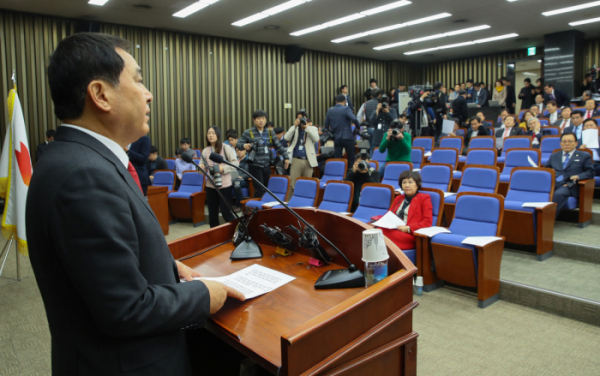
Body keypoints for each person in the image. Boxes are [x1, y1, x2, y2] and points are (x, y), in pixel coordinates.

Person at [27, 32, 244, 376]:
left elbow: (105, 261)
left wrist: (170, 268)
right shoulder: (84, 175)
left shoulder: (80, 160)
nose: (149, 94)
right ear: (100, 95)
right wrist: (203, 295)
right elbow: (124, 308)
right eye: (139, 80)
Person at [238, 110, 289, 198]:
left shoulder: (270, 132)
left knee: (268, 189)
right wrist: (244, 145)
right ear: (254, 120)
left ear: (265, 120)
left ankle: (264, 208)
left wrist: (286, 157)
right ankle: (255, 209)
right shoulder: (249, 132)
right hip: (255, 166)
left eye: (263, 118)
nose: (261, 120)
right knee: (259, 189)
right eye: (258, 118)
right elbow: (238, 144)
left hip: (266, 165)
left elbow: (278, 146)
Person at [377, 171, 432, 250]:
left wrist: (408, 228)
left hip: (409, 234)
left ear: (417, 184)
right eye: (404, 182)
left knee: (378, 234)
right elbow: (388, 215)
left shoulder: (424, 198)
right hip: (393, 230)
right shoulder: (399, 198)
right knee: (375, 231)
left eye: (410, 182)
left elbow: (427, 222)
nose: (407, 185)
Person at [545, 132, 595, 218]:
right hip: (554, 183)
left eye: (570, 141)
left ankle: (545, 221)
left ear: (576, 143)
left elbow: (590, 172)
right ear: (560, 144)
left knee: (558, 194)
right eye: (564, 141)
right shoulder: (554, 155)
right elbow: (546, 169)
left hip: (570, 185)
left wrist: (578, 177)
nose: (567, 143)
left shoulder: (584, 156)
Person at [200, 126, 238, 228]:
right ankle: (215, 237)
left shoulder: (226, 148)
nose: (210, 135)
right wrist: (201, 168)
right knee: (212, 215)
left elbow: (235, 163)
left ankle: (239, 232)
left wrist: (222, 168)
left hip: (224, 186)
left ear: (218, 135)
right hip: (210, 185)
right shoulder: (205, 150)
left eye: (213, 133)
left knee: (226, 214)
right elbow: (201, 169)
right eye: (208, 133)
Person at [325, 94, 361, 169]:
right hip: (347, 137)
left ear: (335, 102)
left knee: (338, 158)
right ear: (344, 102)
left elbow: (326, 125)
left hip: (336, 138)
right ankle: (350, 174)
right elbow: (354, 119)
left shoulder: (330, 110)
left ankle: (339, 174)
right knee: (351, 157)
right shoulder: (346, 109)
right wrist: (358, 127)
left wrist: (330, 133)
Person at [285, 116, 319, 188]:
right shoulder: (295, 128)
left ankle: (306, 199)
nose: (302, 121)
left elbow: (316, 139)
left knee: (307, 185)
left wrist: (307, 128)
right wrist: (294, 126)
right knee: (293, 186)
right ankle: (291, 199)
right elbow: (286, 138)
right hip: (296, 159)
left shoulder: (312, 129)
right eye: (299, 119)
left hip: (308, 160)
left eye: (304, 119)